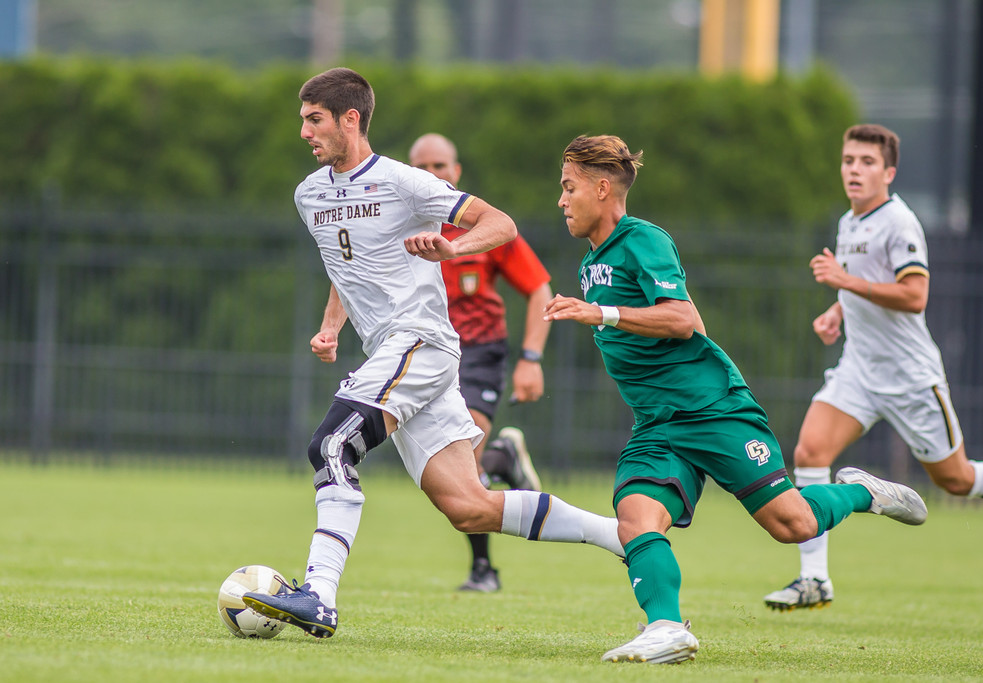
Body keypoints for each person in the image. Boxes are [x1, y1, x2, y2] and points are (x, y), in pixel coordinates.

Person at [242, 68, 624, 639]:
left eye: (313, 119)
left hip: (419, 341)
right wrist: (330, 329)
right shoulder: (310, 194)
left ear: (351, 119)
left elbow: (501, 224)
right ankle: (619, 535)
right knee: (468, 505)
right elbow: (346, 270)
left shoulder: (405, 182)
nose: (304, 132)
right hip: (398, 352)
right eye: (303, 120)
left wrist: (452, 247)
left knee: (331, 445)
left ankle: (319, 596)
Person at [543, 134, 929, 665]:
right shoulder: (593, 262)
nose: (561, 200)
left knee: (791, 525)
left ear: (603, 188)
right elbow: (670, 324)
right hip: (657, 424)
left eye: (569, 188)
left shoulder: (644, 239)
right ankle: (665, 629)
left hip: (713, 410)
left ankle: (864, 493)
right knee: (635, 517)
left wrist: (602, 314)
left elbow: (682, 320)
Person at [763, 124, 983, 612]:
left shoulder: (899, 223)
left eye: (866, 162)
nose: (854, 170)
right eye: (848, 161)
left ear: (889, 172)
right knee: (810, 450)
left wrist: (842, 282)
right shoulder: (849, 222)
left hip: (909, 378)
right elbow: (861, 284)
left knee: (957, 480)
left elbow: (914, 294)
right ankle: (814, 578)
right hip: (859, 371)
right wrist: (836, 311)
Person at [409, 133, 552, 593]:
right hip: (421, 353)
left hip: (477, 352)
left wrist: (530, 358)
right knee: (447, 473)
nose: (432, 175)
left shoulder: (481, 227)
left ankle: (483, 572)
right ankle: (504, 457)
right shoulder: (396, 224)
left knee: (463, 460)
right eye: (422, 167)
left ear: (457, 172)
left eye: (441, 166)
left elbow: (539, 290)